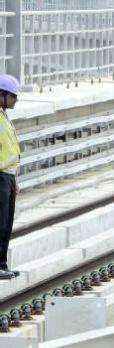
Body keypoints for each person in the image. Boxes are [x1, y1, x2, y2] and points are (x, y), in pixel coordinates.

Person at [0, 75, 21, 280]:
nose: (15, 100)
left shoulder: (3, 116)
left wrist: (15, 179)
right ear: (2, 95)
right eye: (13, 96)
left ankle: (2, 264)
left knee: (6, 223)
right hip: (0, 177)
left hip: (8, 177)